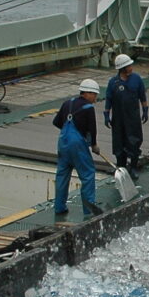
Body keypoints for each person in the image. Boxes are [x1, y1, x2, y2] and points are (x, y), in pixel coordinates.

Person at [54, 79, 103, 218]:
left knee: (62, 176)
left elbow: (57, 122)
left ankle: (59, 207)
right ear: (87, 93)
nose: (95, 98)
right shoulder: (88, 108)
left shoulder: (67, 104)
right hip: (77, 146)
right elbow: (92, 129)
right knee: (87, 175)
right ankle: (89, 211)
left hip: (63, 144)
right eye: (94, 95)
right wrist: (93, 145)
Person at [103, 53, 149, 179]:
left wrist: (145, 109)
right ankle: (121, 168)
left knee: (134, 141)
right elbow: (109, 99)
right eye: (128, 66)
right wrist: (106, 114)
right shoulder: (113, 82)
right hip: (118, 119)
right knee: (119, 143)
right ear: (122, 68)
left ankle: (133, 167)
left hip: (133, 118)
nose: (131, 67)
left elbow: (142, 96)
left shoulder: (136, 79)